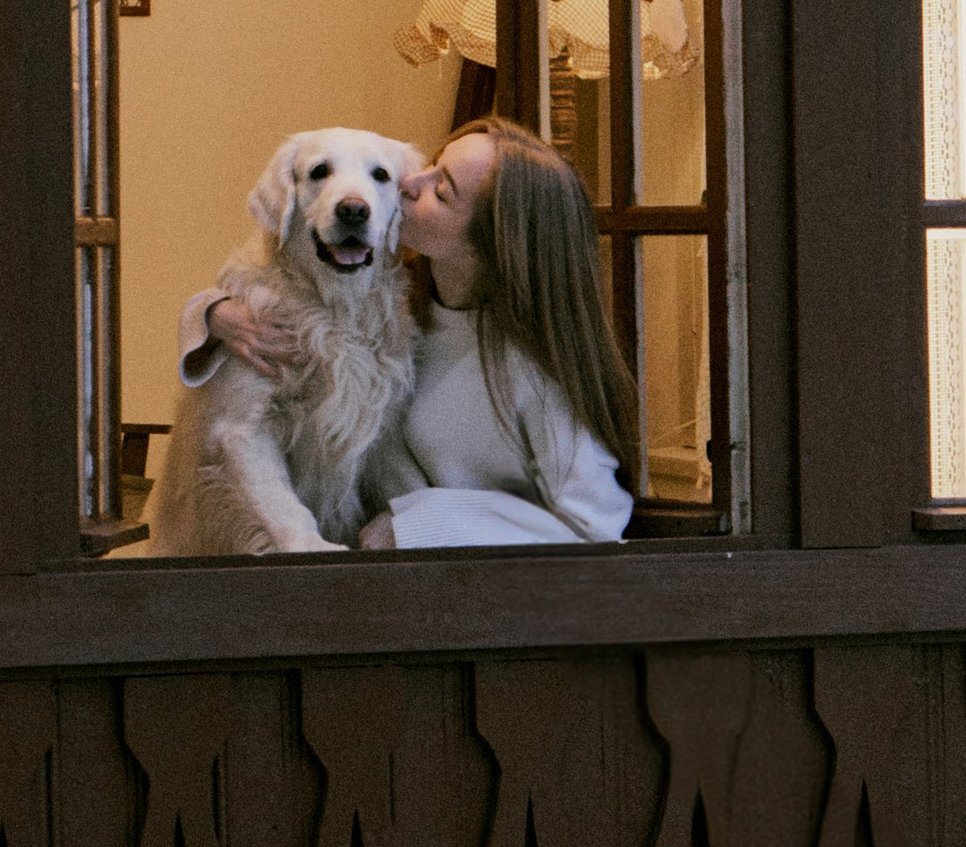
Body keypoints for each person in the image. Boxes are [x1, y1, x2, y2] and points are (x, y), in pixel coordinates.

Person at [184, 120, 635, 548]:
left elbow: (593, 522)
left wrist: (422, 524)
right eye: (432, 164)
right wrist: (211, 313)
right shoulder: (404, 304)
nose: (408, 183)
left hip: (489, 591)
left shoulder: (534, 368)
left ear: (491, 239)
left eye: (440, 189)